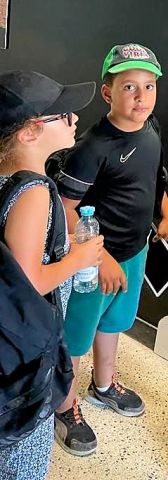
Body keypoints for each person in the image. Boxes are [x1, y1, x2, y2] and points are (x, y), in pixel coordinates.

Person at [53, 43, 168, 456]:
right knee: (76, 336)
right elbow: (64, 209)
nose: (141, 97)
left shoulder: (151, 128)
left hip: (135, 252)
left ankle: (103, 385)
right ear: (108, 93)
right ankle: (65, 407)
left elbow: (154, 176)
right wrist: (99, 256)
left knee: (114, 322)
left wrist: (165, 210)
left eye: (149, 86)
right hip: (93, 263)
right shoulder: (92, 147)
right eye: (129, 87)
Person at [0, 70, 103, 480]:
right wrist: (80, 258)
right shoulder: (35, 192)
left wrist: (64, 250)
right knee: (23, 453)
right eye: (62, 115)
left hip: (6, 339)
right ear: (29, 132)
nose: (75, 119)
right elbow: (29, 283)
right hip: (25, 348)